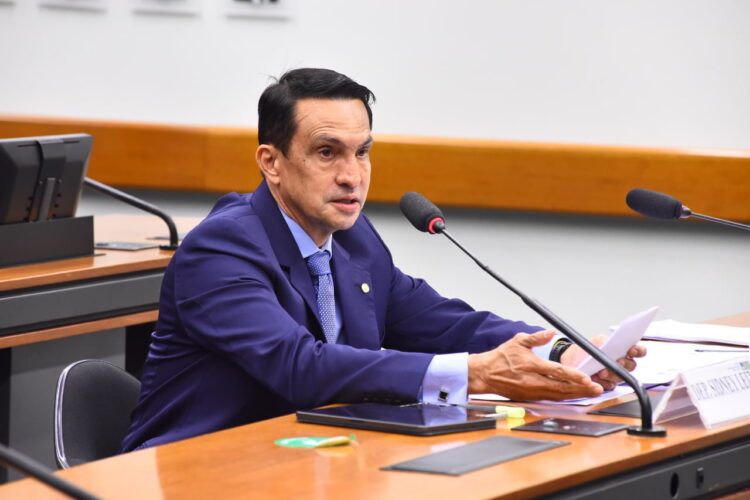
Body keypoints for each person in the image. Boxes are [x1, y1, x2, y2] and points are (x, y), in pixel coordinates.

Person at [121, 68, 644, 452]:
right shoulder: (222, 249)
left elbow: (444, 324)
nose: (352, 175)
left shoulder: (355, 239)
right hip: (198, 468)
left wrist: (564, 352)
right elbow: (299, 366)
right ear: (272, 163)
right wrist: (477, 374)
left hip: (314, 459)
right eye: (327, 152)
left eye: (363, 152)